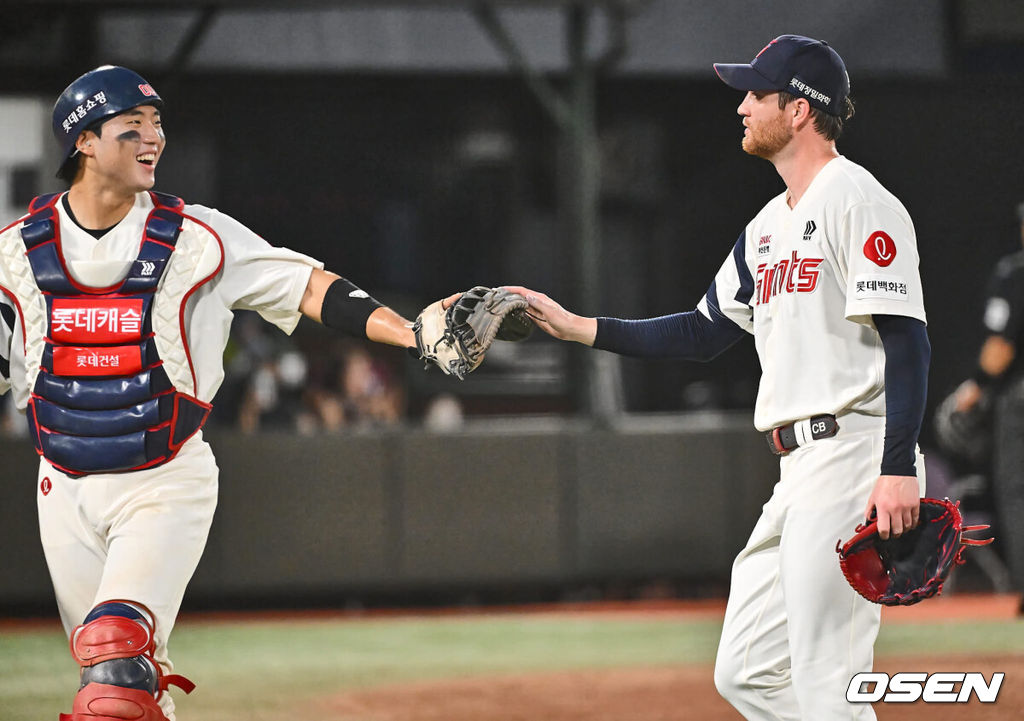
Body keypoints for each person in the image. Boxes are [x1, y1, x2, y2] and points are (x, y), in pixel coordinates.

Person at [0, 66, 461, 721]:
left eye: (158, 123)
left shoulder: (197, 238)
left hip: (163, 478)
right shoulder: (15, 254)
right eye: (133, 127)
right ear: (85, 143)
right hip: (62, 487)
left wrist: (411, 333)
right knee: (114, 681)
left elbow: (306, 285)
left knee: (115, 659)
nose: (153, 137)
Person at [507, 34, 929, 720]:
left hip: (853, 451)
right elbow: (701, 332)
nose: (741, 107)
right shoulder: (766, 226)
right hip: (796, 470)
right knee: (746, 671)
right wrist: (579, 326)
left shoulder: (858, 199)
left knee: (828, 677)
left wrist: (896, 468)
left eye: (755, 93)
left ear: (798, 110)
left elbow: (907, 341)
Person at [952, 201, 1024, 609]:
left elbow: (1000, 348)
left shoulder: (1015, 273)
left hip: (1020, 397)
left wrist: (975, 387)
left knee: (1018, 493)